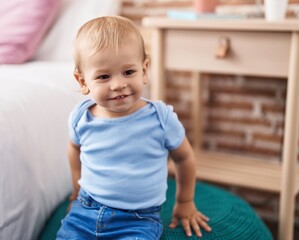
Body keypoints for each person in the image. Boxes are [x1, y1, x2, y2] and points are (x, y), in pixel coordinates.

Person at [56, 16, 211, 239]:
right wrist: (77, 185)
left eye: (128, 72)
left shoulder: (160, 118)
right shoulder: (81, 117)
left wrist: (185, 202)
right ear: (82, 82)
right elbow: (74, 149)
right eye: (103, 76)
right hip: (85, 211)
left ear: (144, 70)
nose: (118, 84)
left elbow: (184, 157)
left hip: (138, 220)